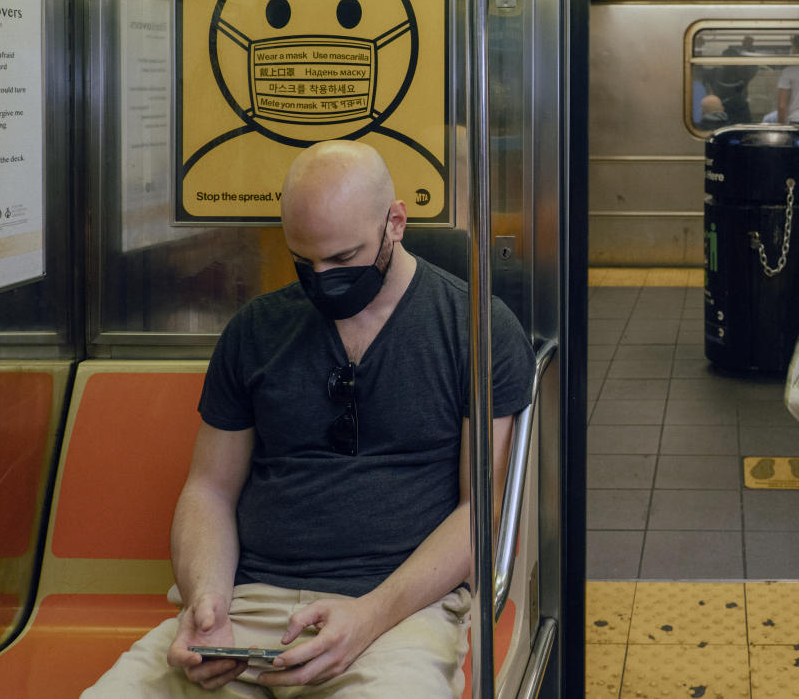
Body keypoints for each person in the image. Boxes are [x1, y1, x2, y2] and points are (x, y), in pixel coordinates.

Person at [85, 140, 535, 698]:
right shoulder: (256, 330)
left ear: (395, 222)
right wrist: (206, 602)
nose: (322, 279)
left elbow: (479, 516)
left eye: (343, 259)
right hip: (247, 603)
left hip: (396, 613)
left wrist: (368, 617)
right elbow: (209, 490)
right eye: (305, 261)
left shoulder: (474, 329)